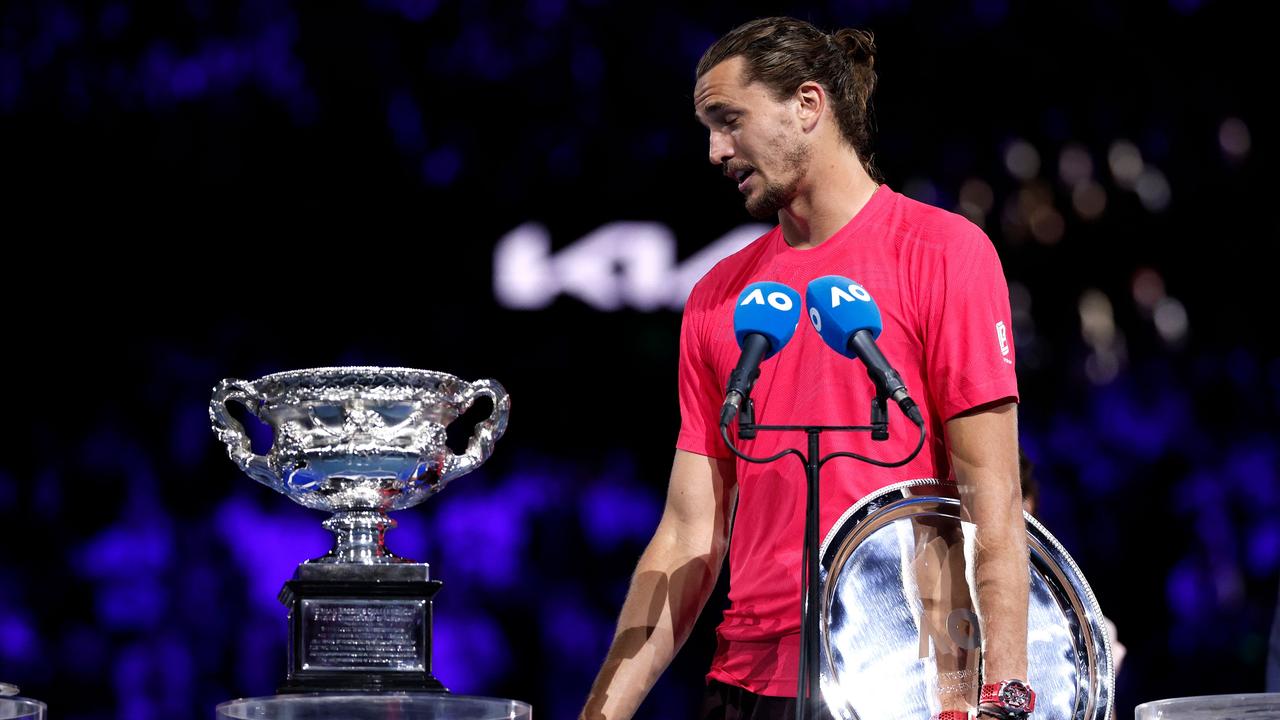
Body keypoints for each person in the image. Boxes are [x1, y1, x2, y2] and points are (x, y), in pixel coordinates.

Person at [580, 17, 1029, 720]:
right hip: (744, 688)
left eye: (728, 121)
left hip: (902, 686)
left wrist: (1001, 699)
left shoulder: (945, 253)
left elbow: (992, 505)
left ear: (808, 105)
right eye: (706, 126)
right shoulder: (717, 297)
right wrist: (603, 711)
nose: (714, 150)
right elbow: (688, 533)